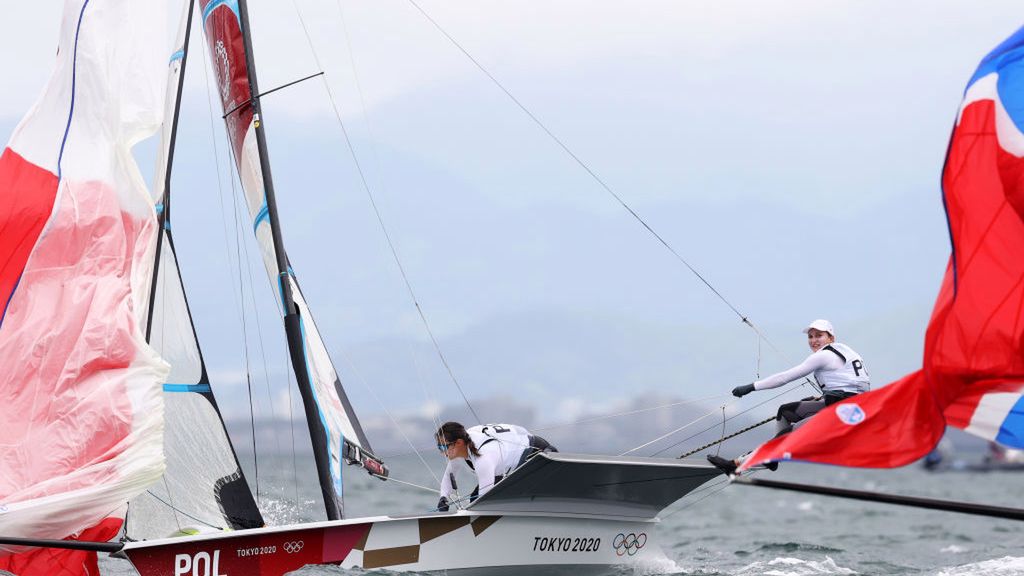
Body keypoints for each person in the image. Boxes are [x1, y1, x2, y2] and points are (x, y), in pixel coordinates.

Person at [707, 319, 870, 475]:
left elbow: (784, 378)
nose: (814, 340)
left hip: (843, 413)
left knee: (785, 436)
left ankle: (735, 465)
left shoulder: (824, 356)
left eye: (819, 335)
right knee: (785, 411)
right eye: (810, 336)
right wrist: (821, 398)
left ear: (831, 338)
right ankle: (772, 458)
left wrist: (751, 387)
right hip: (843, 405)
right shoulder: (845, 351)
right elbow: (849, 386)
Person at [435, 421, 556, 512]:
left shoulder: (483, 458)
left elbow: (484, 499)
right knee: (474, 499)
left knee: (485, 501)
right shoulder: (460, 448)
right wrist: (443, 499)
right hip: (515, 464)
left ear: (459, 442)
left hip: (537, 453)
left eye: (444, 447)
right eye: (439, 447)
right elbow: (449, 476)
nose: (442, 452)